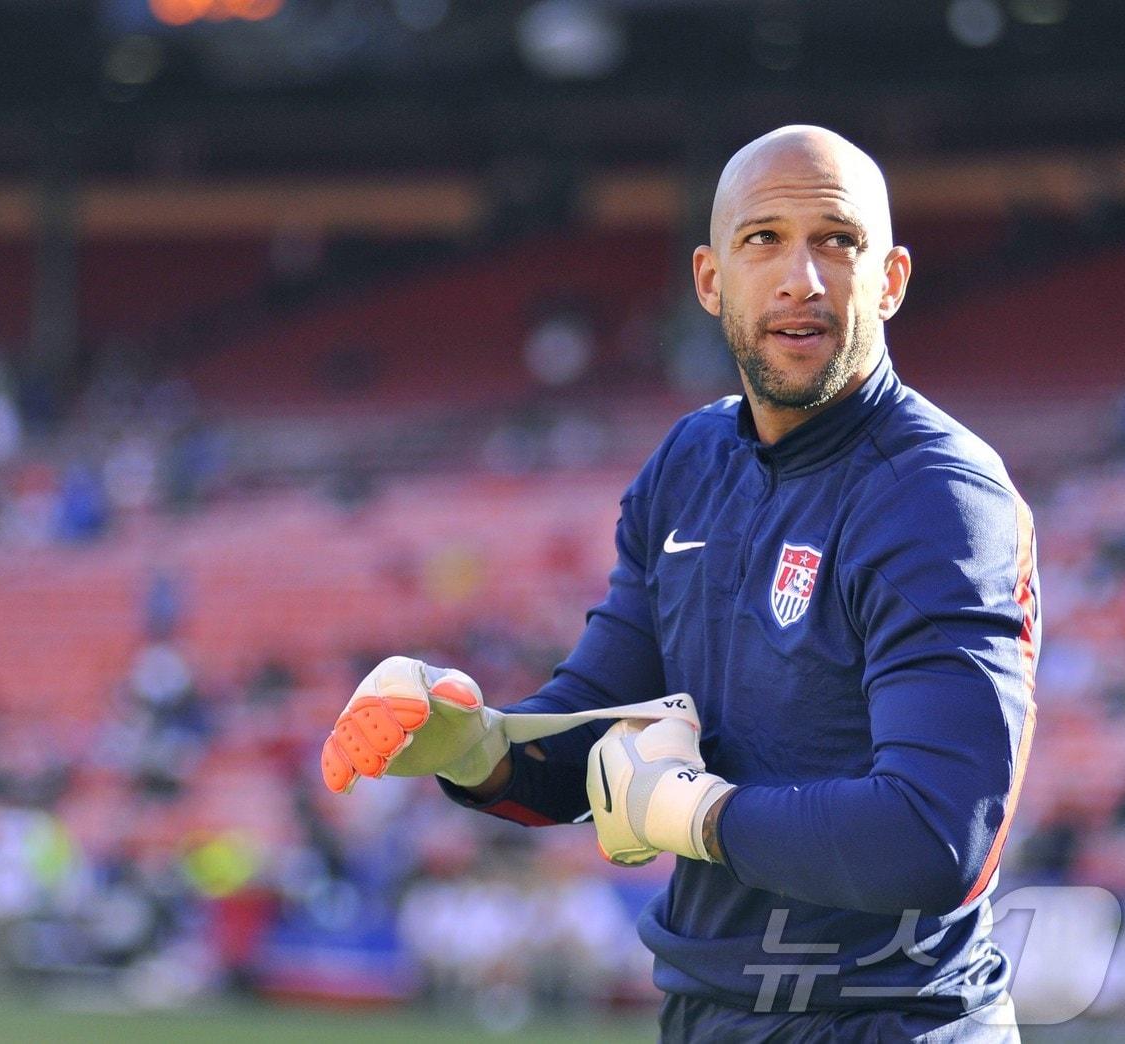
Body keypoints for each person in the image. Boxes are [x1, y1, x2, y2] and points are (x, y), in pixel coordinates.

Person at [321, 126, 1039, 1042]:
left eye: (838, 241)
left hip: (891, 1022)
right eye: (763, 240)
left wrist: (694, 813)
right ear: (709, 280)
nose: (802, 278)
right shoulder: (689, 464)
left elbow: (936, 840)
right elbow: (599, 725)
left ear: (892, 279)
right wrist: (478, 746)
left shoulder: (941, 498)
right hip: (707, 1016)